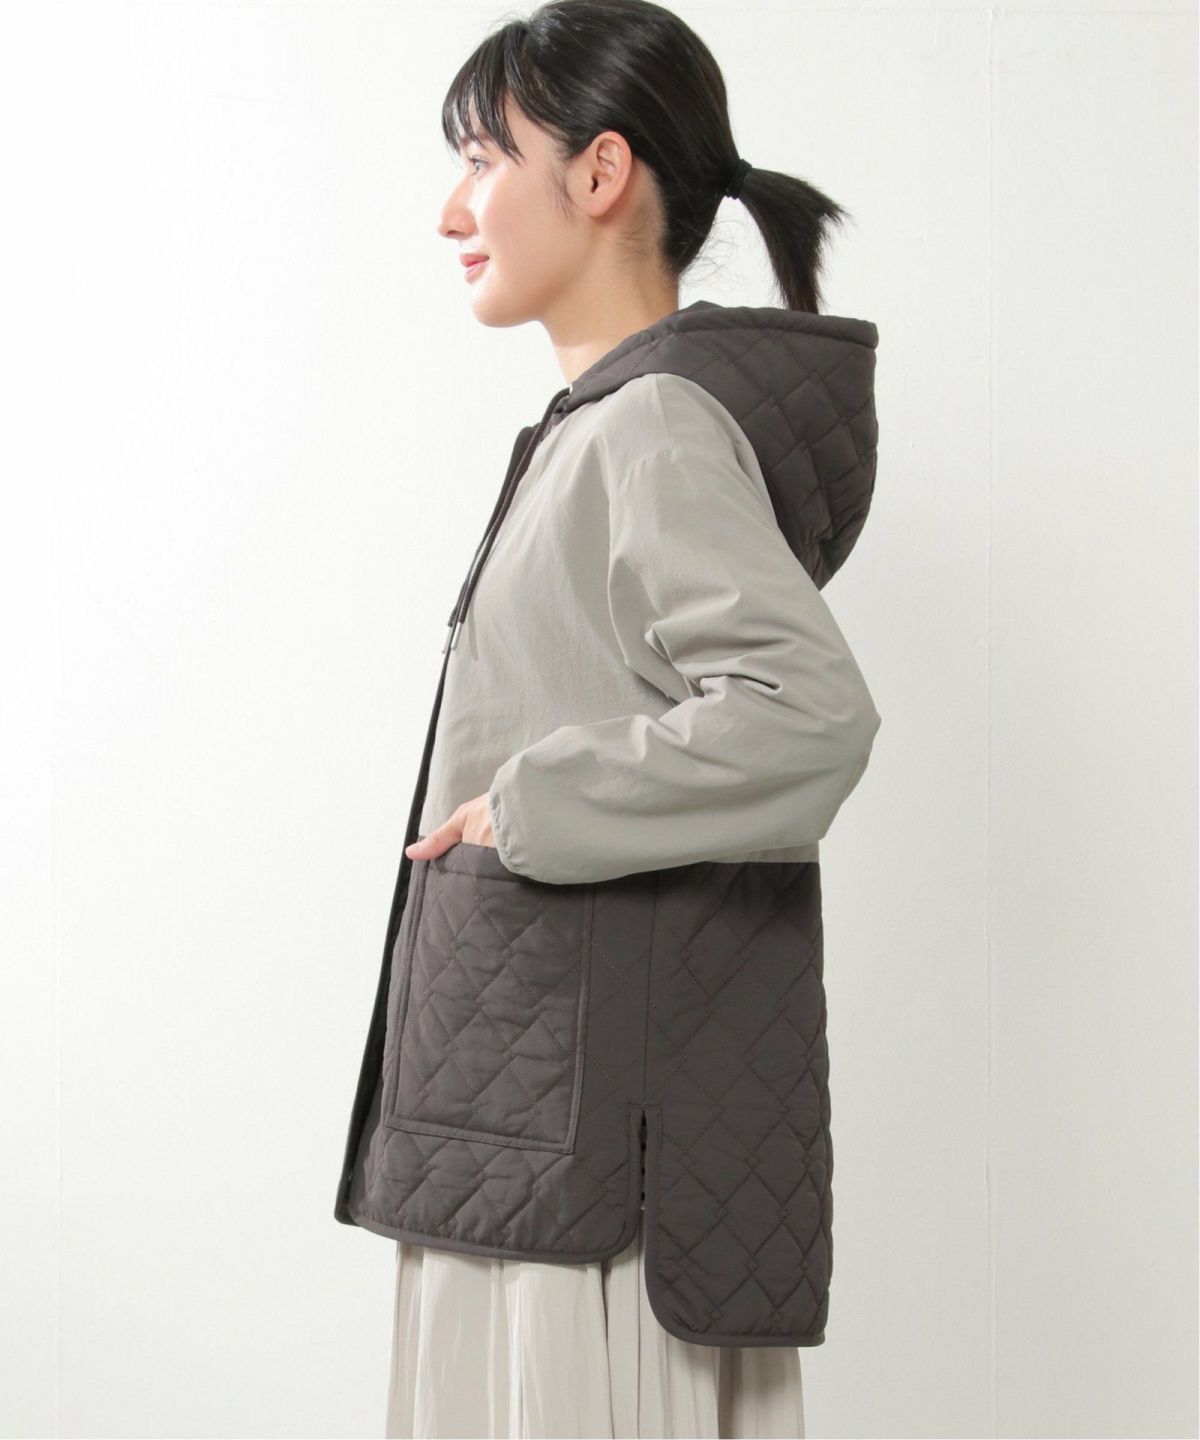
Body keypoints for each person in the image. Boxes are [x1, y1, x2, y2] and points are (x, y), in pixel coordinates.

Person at [338, 2, 884, 1434]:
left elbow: (809, 716)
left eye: (483, 159)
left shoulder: (650, 428)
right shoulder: (603, 425)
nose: (452, 209)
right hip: (530, 1114)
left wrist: (527, 810)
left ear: (600, 173)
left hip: (583, 1160)